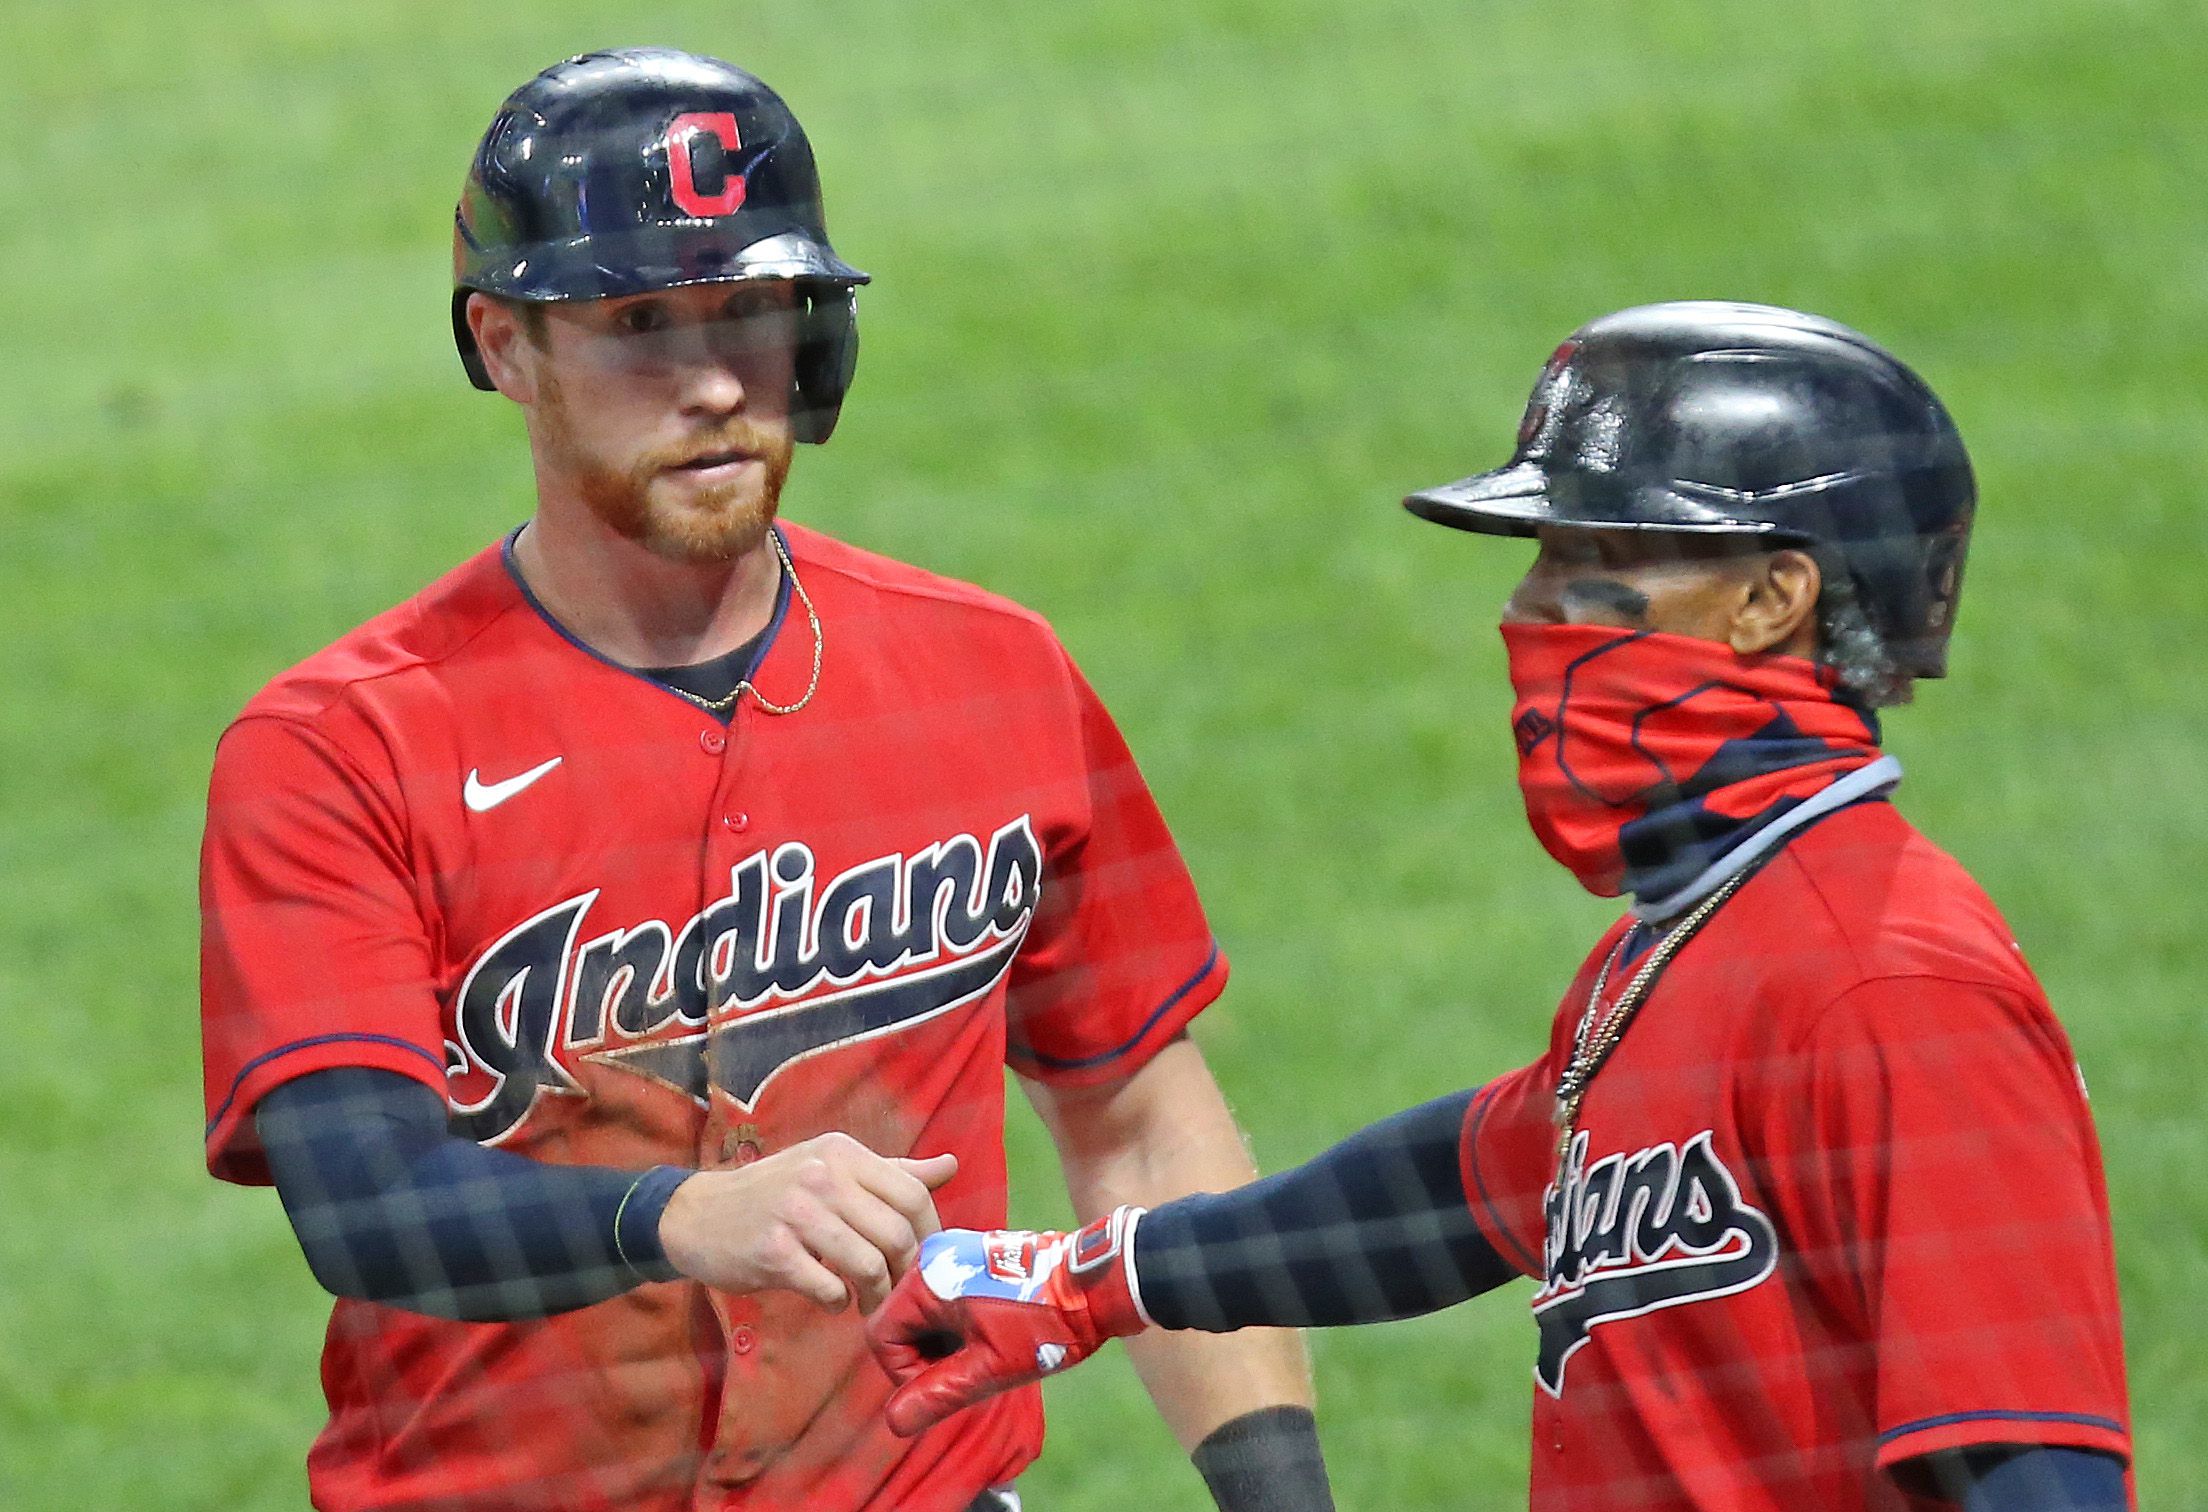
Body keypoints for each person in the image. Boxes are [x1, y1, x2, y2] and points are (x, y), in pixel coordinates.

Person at [197, 47, 1332, 1512]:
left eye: (751, 312)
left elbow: (1136, 1119)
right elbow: (365, 1203)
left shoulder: (994, 676)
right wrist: (684, 1217)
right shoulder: (345, 749)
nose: (716, 382)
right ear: (503, 345)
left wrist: (1279, 1495)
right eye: (638, 323)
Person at [868, 302, 2135, 1511]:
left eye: (1593, 562)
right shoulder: (1689, 950)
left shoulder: (1892, 990)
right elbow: (1456, 1194)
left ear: (1771, 600)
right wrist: (1088, 1282)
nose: (1527, 613)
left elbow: (2036, 1473)